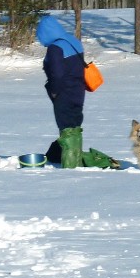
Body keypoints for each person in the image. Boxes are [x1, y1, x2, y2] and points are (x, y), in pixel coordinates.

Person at [36, 16, 86, 168]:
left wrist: (54, 92)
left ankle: (70, 165)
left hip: (64, 94)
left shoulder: (55, 48)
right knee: (74, 126)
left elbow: (57, 74)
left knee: (67, 128)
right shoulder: (73, 41)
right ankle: (69, 158)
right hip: (78, 92)